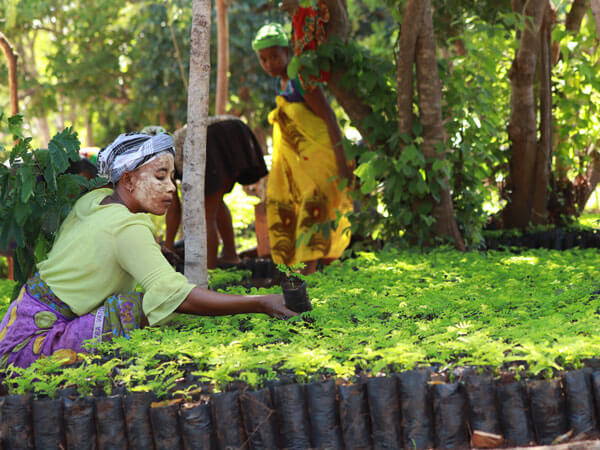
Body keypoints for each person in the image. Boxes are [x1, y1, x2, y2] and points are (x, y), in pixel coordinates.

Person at [0, 133, 294, 369]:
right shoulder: (126, 229)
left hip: (15, 325)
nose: (170, 189)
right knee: (139, 306)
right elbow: (179, 297)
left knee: (140, 304)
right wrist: (260, 302)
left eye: (171, 178)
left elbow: (108, 239)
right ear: (127, 180)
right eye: (159, 177)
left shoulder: (96, 200)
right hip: (31, 347)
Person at [252, 23, 353, 274]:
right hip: (301, 164)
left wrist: (342, 163)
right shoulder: (282, 82)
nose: (269, 64)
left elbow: (329, 118)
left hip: (322, 158)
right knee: (298, 208)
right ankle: (312, 273)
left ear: (288, 51)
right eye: (263, 59)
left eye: (274, 56)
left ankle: (310, 274)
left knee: (316, 209)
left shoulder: (301, 79)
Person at [163, 117, 268, 269]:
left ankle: (208, 272)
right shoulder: (170, 146)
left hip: (214, 137)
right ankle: (230, 255)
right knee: (215, 202)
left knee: (206, 214)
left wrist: (168, 246)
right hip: (235, 130)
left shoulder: (160, 158)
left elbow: (173, 209)